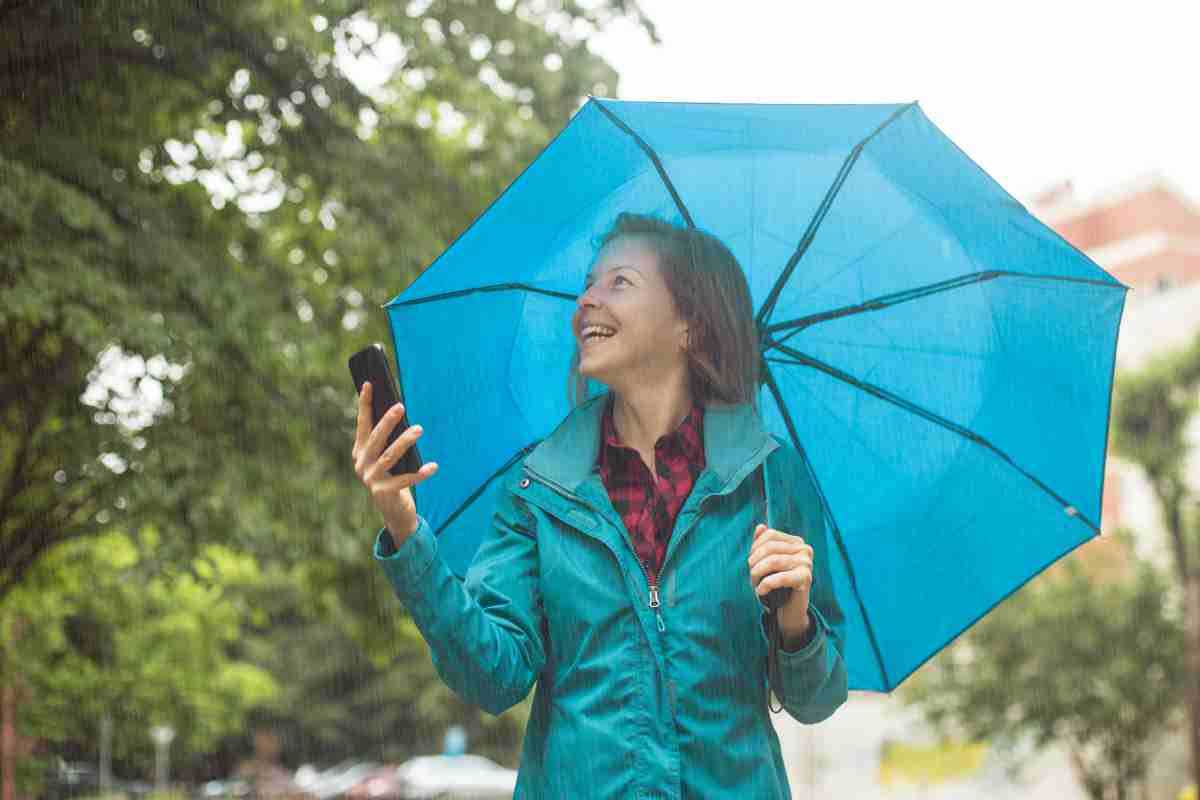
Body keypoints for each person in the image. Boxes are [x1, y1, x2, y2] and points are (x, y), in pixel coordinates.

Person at [351, 212, 848, 798]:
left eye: (620, 283)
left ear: (687, 324)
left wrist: (794, 620)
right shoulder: (538, 488)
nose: (586, 300)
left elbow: (816, 699)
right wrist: (405, 526)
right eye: (588, 285)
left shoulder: (770, 478)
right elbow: (492, 676)